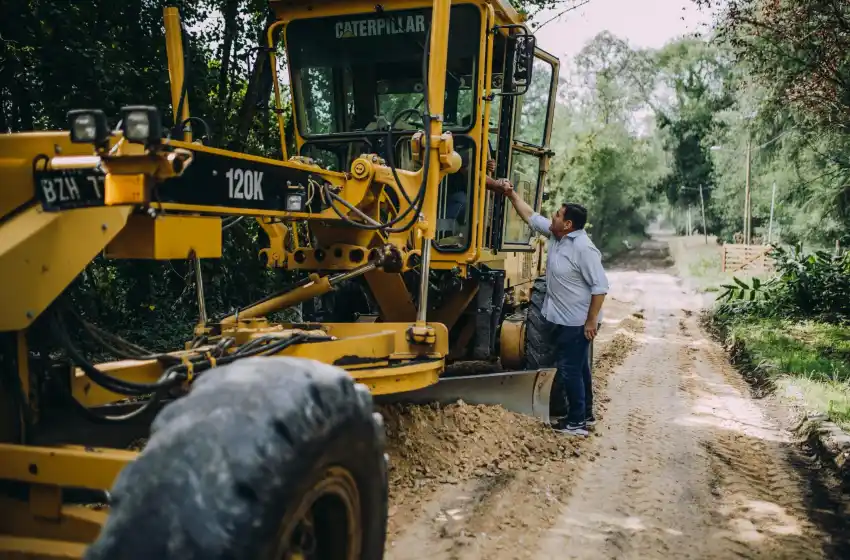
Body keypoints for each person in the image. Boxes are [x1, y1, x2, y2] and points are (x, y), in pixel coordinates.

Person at [493, 182, 609, 436]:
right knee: (580, 368)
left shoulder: (583, 249)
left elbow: (600, 287)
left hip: (578, 321)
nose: (552, 216)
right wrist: (511, 194)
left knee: (569, 369)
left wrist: (590, 322)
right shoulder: (557, 236)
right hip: (565, 318)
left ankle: (576, 423)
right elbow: (531, 217)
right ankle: (586, 415)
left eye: (557, 214)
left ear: (568, 225)